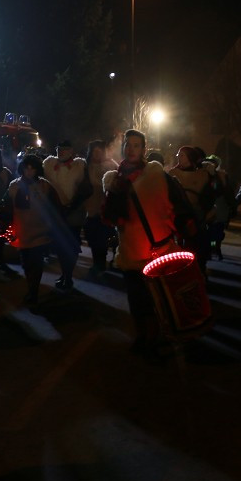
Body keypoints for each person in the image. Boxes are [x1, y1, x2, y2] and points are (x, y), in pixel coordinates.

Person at [102, 129, 197, 358]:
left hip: (157, 252)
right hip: (130, 252)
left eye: (136, 145)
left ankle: (153, 339)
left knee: (156, 301)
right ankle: (141, 335)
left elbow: (178, 203)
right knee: (136, 301)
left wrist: (188, 226)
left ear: (144, 149)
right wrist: (114, 193)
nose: (131, 149)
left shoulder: (156, 175)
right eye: (128, 144)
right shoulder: (116, 179)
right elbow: (111, 218)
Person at [0, 153, 73, 306]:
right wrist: (4, 228)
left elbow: (55, 208)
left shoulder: (45, 186)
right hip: (22, 232)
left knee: (37, 264)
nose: (29, 172)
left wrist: (57, 228)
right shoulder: (14, 186)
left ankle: (33, 292)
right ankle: (32, 289)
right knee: (26, 264)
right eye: (27, 168)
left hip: (41, 233)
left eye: (33, 169)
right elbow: (5, 209)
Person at [42, 139, 91, 287]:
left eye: (64, 149)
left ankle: (68, 276)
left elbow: (86, 189)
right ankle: (64, 274)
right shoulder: (49, 165)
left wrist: (73, 205)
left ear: (71, 151)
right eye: (59, 148)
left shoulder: (79, 166)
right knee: (59, 246)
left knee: (71, 246)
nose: (61, 151)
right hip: (56, 214)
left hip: (74, 214)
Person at [167, 145, 213, 270]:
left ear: (190, 157)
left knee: (197, 248)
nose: (179, 158)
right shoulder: (172, 175)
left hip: (197, 218)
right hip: (178, 218)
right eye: (178, 155)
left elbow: (209, 197)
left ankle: (199, 271)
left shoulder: (202, 175)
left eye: (182, 155)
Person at [84, 139, 118, 277]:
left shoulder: (111, 165)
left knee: (104, 239)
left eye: (99, 151)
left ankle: (104, 263)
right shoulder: (86, 166)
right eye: (94, 151)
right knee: (93, 239)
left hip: (106, 209)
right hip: (91, 209)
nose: (96, 154)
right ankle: (97, 263)